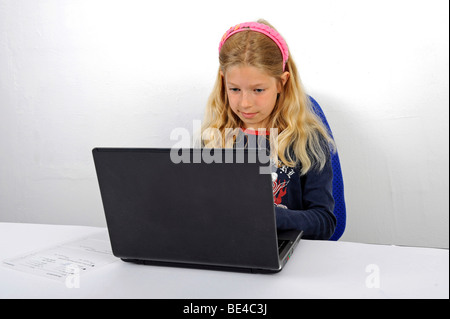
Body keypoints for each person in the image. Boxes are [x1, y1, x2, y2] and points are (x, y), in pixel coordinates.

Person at [201, 19, 336, 240]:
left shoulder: (307, 140)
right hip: (230, 250)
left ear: (282, 83)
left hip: (287, 254)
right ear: (223, 81)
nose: (245, 103)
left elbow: (324, 222)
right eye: (234, 89)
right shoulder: (213, 137)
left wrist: (268, 217)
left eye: (258, 90)